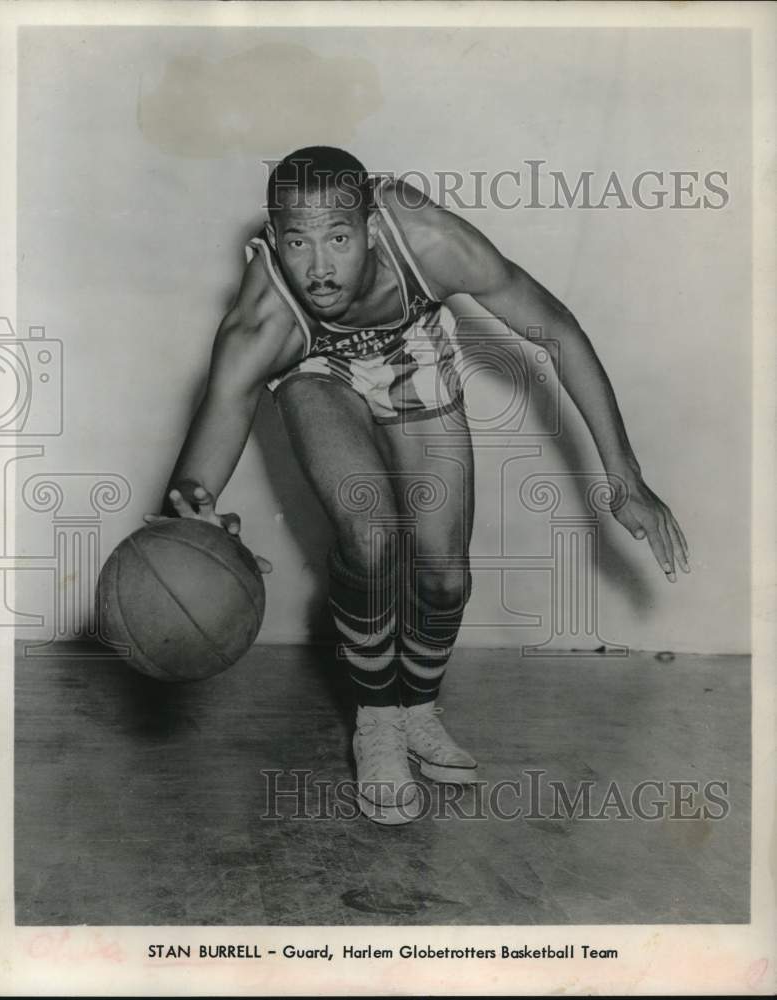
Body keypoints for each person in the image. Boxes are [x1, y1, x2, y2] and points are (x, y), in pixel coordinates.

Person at [145, 146, 690, 826]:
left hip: (415, 352)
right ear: (273, 239)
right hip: (317, 368)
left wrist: (624, 475)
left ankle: (418, 710)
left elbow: (557, 331)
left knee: (444, 575)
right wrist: (198, 532)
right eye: (297, 242)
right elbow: (192, 485)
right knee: (371, 532)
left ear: (371, 227)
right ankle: (377, 723)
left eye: (338, 238)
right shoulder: (267, 319)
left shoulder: (428, 241)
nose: (317, 267)